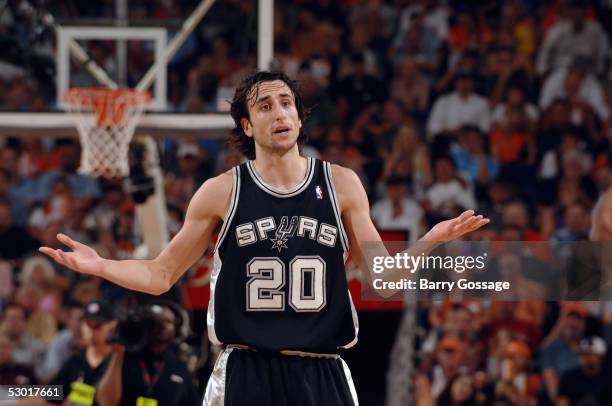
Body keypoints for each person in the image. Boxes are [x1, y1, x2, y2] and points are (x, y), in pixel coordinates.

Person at [40, 71, 488, 405]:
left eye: (286, 102)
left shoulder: (342, 183)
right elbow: (161, 274)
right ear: (247, 125)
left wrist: (429, 239)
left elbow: (385, 281)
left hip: (323, 369)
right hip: (246, 368)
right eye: (266, 105)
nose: (280, 112)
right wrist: (101, 266)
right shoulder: (221, 191)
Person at [95, 303, 200, 406]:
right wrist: (118, 352)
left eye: (167, 321)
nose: (161, 326)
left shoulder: (180, 369)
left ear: (177, 329)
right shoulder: (123, 357)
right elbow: (105, 402)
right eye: (155, 321)